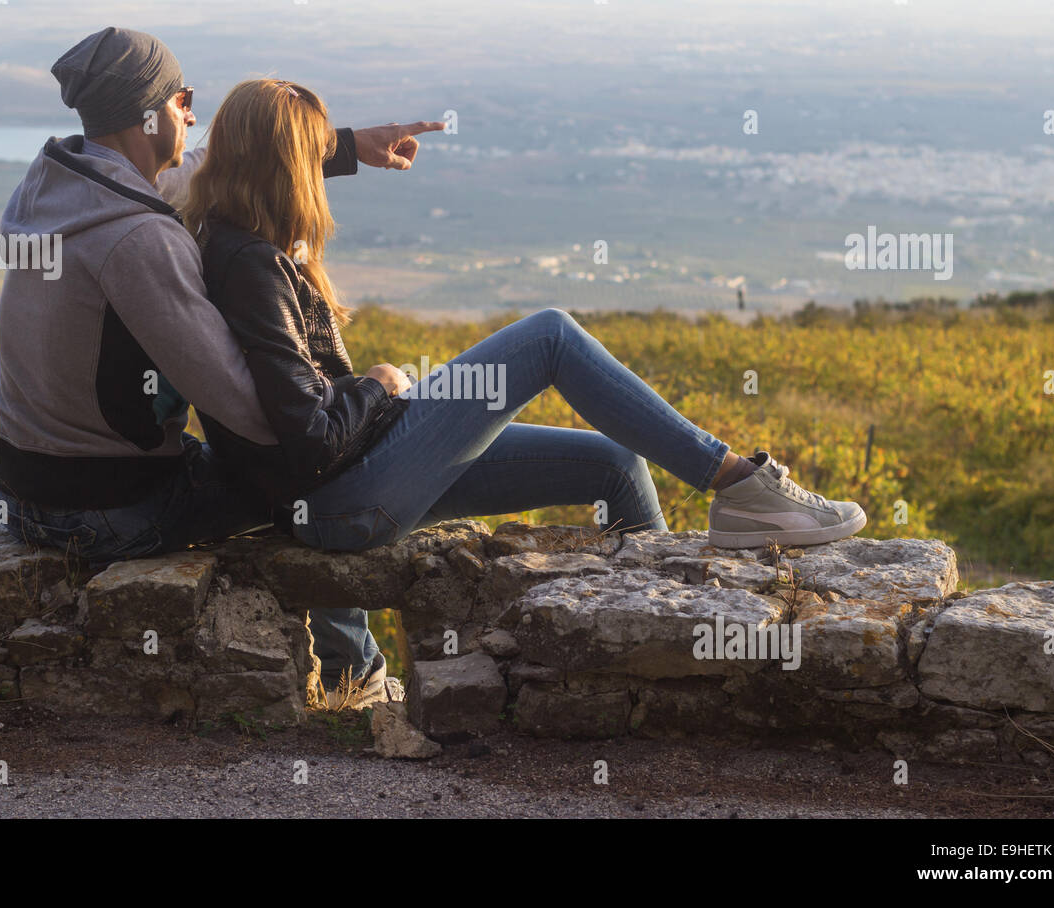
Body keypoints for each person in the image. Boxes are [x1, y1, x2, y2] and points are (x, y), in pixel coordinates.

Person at [182, 78, 868, 707]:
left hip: (361, 468)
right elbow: (308, 439)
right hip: (342, 494)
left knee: (612, 463)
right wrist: (379, 385)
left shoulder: (229, 227)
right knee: (548, 336)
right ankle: (739, 485)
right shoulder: (251, 266)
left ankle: (670, 655)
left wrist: (351, 146)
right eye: (313, 156)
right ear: (285, 166)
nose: (319, 173)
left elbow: (265, 152)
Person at [0, 28, 438, 702]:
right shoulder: (139, 241)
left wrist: (341, 146)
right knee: (310, 481)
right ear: (150, 115)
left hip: (25, 484)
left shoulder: (64, 187)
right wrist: (368, 388)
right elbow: (259, 417)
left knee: (293, 460)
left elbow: (200, 166)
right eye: (184, 98)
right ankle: (360, 683)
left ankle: (353, 670)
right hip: (105, 508)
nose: (193, 114)